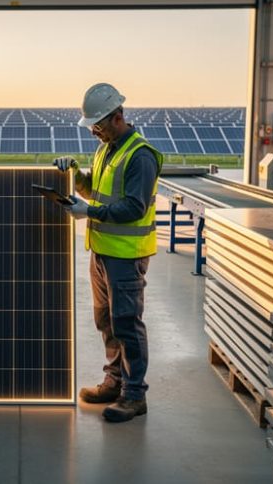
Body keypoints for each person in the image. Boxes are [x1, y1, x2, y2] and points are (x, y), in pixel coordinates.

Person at [53, 83, 163, 423]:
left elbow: (133, 206)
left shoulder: (140, 155)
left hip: (126, 256)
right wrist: (75, 174)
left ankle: (134, 396)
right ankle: (113, 382)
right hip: (102, 252)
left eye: (98, 125)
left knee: (127, 324)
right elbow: (97, 191)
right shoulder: (107, 149)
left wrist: (89, 212)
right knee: (106, 321)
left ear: (118, 117)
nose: (95, 132)